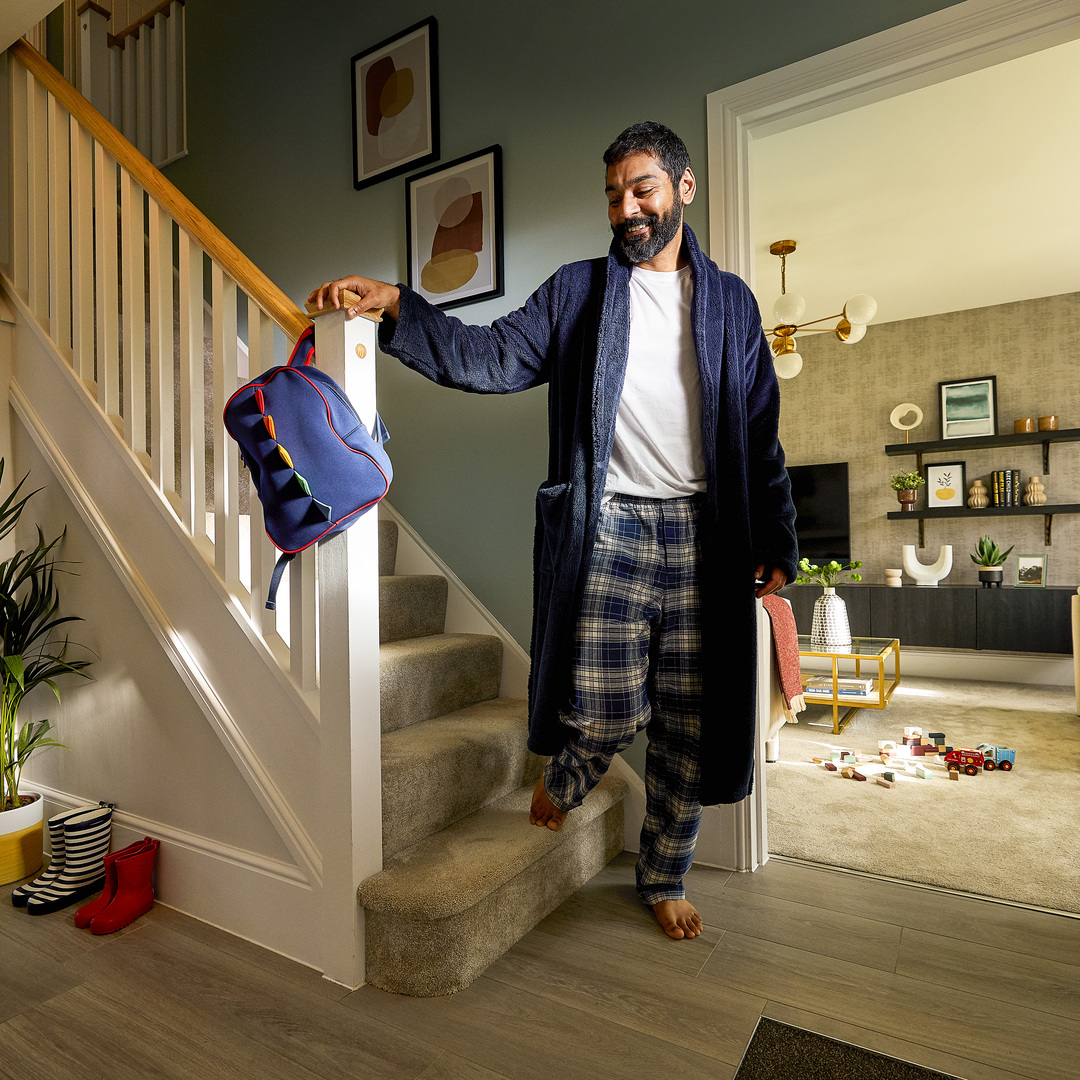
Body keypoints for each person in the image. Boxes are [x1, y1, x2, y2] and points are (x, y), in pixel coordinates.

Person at [309, 121, 797, 941]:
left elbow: (759, 428)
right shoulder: (579, 291)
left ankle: (663, 875)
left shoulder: (732, 304)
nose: (627, 207)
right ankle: (571, 775)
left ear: (682, 188)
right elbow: (492, 355)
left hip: (706, 539)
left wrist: (776, 539)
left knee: (687, 721)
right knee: (602, 704)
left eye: (643, 188)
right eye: (614, 194)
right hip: (608, 529)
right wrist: (400, 309)